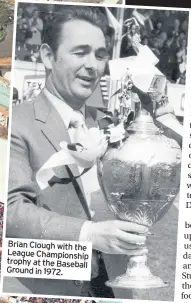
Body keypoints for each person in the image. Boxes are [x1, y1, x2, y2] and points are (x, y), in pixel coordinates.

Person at [4, 5, 182, 299]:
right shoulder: (17, 123)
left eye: (100, 55)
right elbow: (11, 210)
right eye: (80, 52)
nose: (93, 65)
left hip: (112, 287)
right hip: (47, 291)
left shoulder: (111, 123)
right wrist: (89, 234)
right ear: (48, 56)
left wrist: (162, 114)